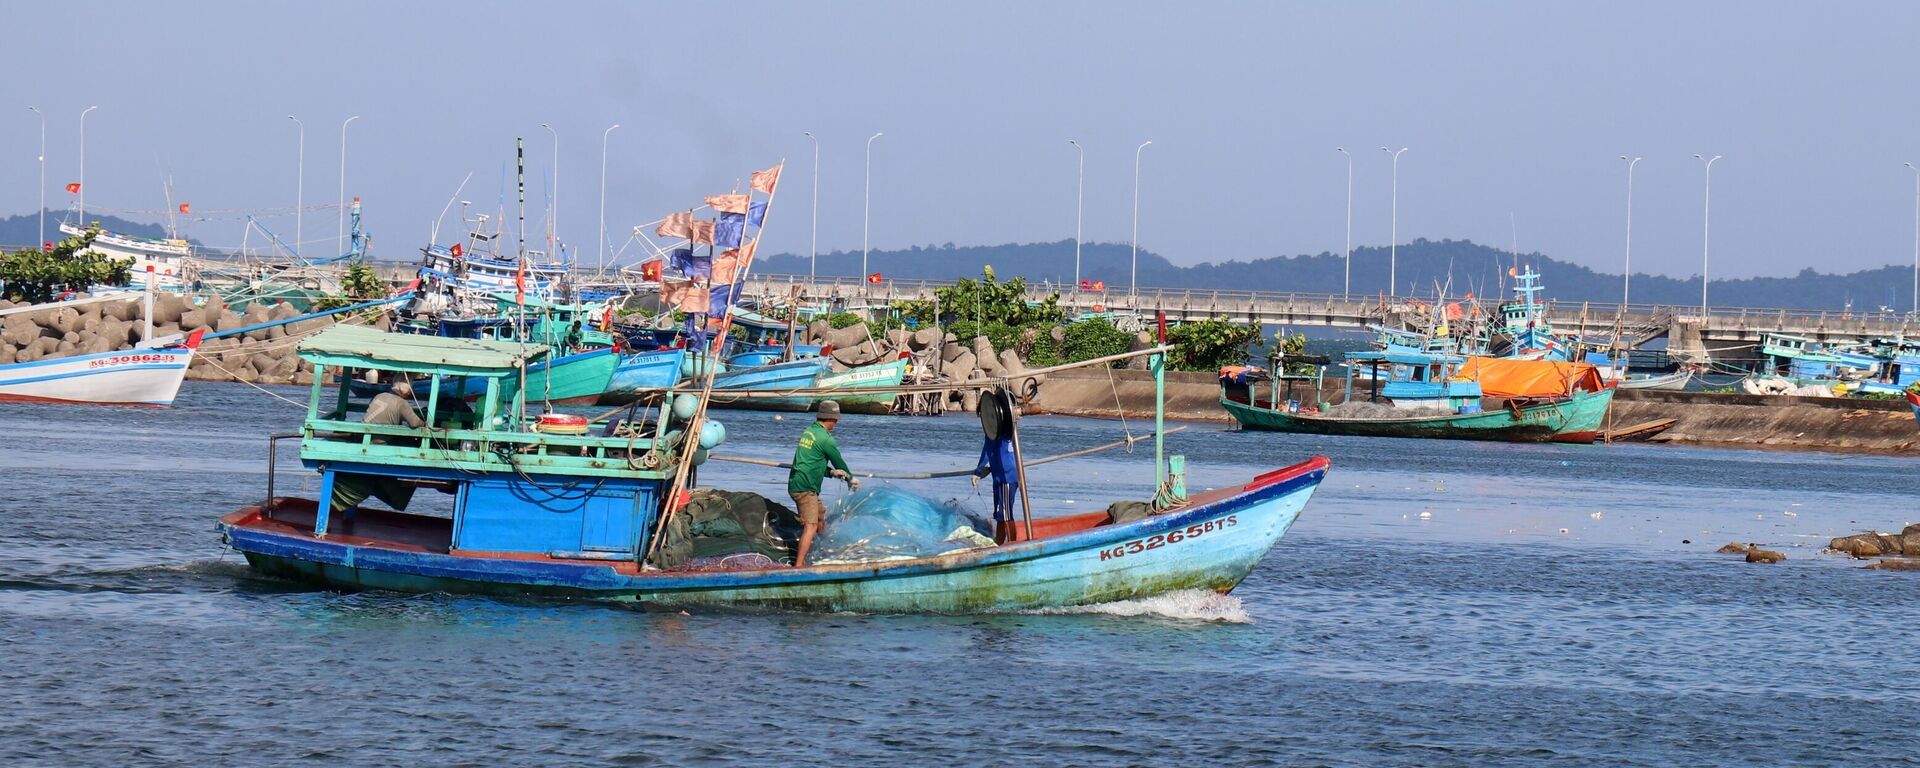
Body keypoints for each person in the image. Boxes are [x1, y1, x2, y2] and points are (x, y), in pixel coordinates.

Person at [788, 400, 855, 567]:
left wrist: (831, 472)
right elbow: (839, 462)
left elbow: (811, 462)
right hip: (805, 488)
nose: (837, 423)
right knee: (810, 526)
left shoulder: (809, 432)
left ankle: (825, 549)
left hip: (798, 482)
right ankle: (799, 566)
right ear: (831, 419)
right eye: (836, 419)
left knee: (819, 517)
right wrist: (850, 479)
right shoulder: (826, 439)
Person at [973, 432, 1022, 543]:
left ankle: (1012, 544)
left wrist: (978, 471)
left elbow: (987, 450)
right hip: (1006, 473)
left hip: (1005, 476)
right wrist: (990, 468)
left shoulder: (994, 429)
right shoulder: (1007, 428)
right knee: (1001, 515)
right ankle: (999, 542)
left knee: (1006, 515)